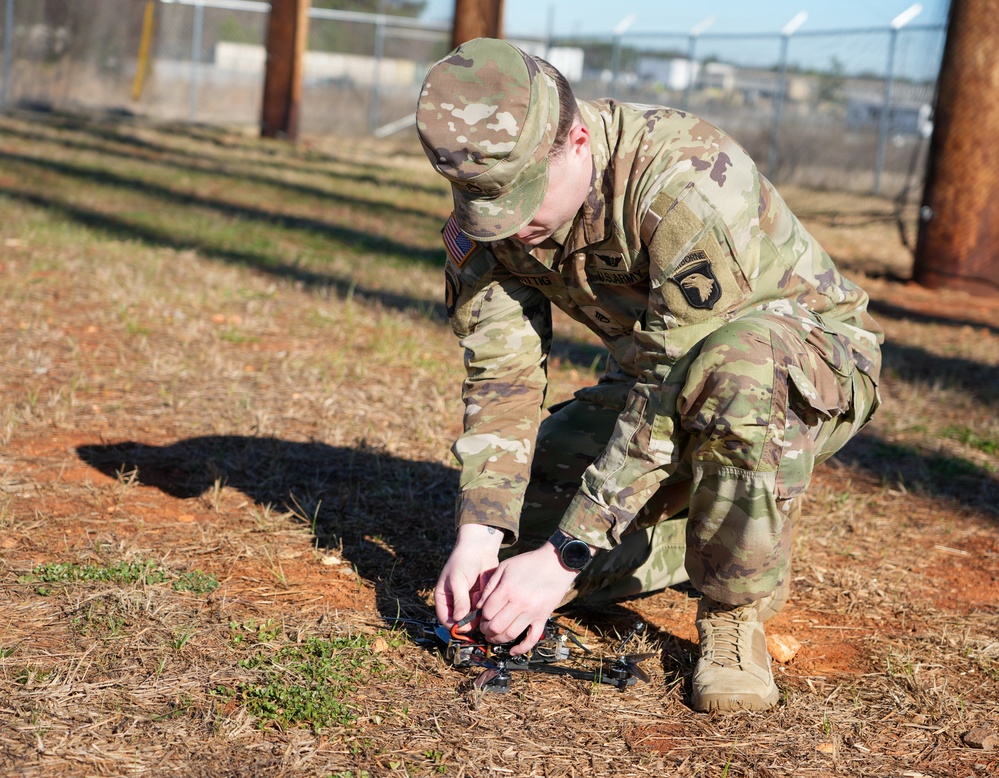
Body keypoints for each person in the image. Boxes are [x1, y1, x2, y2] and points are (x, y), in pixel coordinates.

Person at [416, 37, 882, 712]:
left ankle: (731, 613)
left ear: (576, 140)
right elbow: (502, 377)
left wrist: (567, 554)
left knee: (737, 369)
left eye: (521, 193)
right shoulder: (488, 228)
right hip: (658, 381)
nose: (508, 225)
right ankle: (703, 527)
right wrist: (479, 534)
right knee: (534, 525)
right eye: (478, 199)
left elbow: (672, 387)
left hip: (801, 373)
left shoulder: (682, 177)